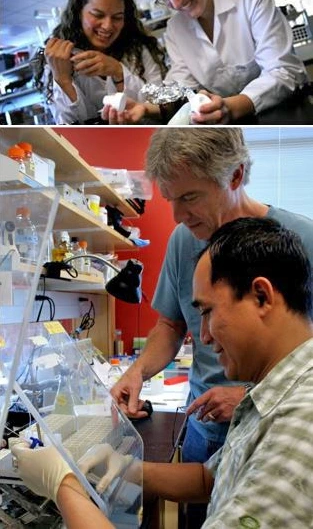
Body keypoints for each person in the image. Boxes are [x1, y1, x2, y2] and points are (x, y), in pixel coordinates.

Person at [12, 217, 313, 528]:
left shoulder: (300, 425)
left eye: (207, 311)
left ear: (261, 296)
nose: (204, 337)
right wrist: (130, 469)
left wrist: (64, 485)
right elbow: (209, 479)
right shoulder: (273, 393)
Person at [111, 126, 313, 528]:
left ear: (234, 176)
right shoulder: (184, 241)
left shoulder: (300, 239)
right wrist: (136, 372)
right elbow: (170, 324)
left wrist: (256, 396)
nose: (179, 216)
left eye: (189, 197)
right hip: (207, 428)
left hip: (275, 415)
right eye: (170, 200)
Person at [140, 0, 307, 124]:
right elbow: (182, 87)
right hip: (225, 122)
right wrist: (143, 108)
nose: (176, 4)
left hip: (286, 113)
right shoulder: (175, 29)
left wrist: (231, 107)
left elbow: (283, 70)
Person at [32, 0, 167, 124]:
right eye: (98, 15)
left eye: (117, 17)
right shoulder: (58, 58)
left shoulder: (138, 49)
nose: (107, 26)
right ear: (78, 13)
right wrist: (63, 79)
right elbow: (69, 124)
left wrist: (118, 71)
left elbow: (159, 105)